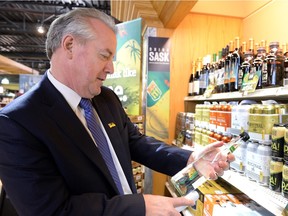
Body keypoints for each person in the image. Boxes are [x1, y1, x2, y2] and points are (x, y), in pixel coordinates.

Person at [0, 8, 234, 216]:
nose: (111, 68)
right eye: (105, 55)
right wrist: (138, 207)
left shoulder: (105, 98)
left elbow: (135, 143)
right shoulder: (17, 122)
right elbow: (50, 209)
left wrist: (190, 158)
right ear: (69, 45)